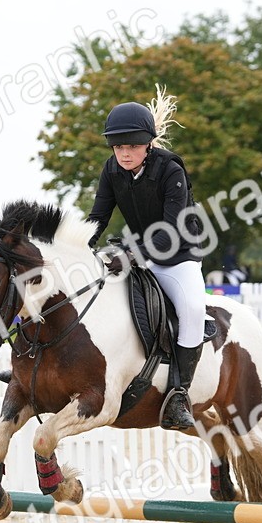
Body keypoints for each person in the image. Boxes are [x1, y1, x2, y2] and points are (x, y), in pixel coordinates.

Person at [86, 89, 206, 431]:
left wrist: (131, 254)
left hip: (179, 257)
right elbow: (97, 217)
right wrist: (76, 247)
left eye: (132, 146)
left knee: (194, 308)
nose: (124, 153)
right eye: (118, 146)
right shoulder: (111, 169)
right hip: (138, 253)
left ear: (148, 144)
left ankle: (179, 394)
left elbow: (170, 232)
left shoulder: (171, 170)